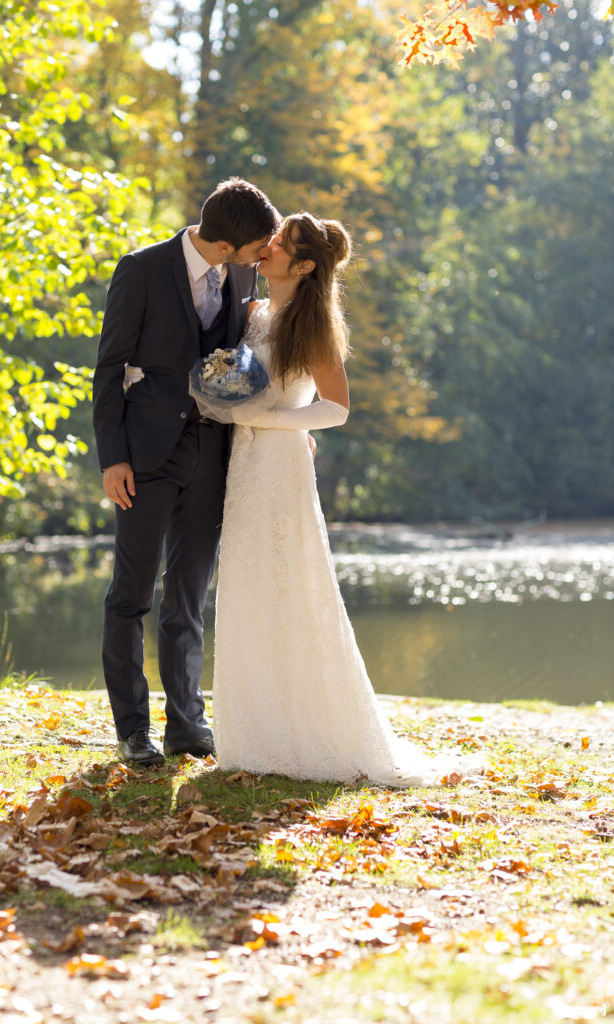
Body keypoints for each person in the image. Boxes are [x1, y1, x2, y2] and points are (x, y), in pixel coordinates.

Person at [206, 213, 482, 786]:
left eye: (283, 241)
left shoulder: (314, 328)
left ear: (304, 265)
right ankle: (251, 734)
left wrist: (273, 419)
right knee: (246, 586)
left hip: (277, 469)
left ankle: (309, 733)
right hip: (243, 465)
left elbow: (335, 408)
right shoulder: (252, 312)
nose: (271, 242)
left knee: (289, 588)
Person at [92, 178, 279, 765]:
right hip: (144, 459)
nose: (262, 256)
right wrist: (112, 457)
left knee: (189, 597)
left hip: (210, 454)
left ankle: (186, 726)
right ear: (226, 244)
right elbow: (108, 368)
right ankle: (131, 732)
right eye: (255, 248)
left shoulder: (243, 275)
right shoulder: (141, 269)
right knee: (130, 596)